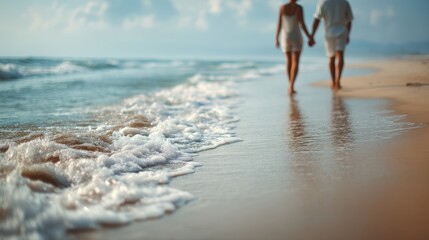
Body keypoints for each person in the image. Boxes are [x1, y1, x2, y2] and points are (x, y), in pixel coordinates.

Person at [310, 0, 353, 90]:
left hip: (329, 33)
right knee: (340, 55)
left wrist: (312, 35)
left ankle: (333, 82)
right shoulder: (344, 2)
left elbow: (317, 20)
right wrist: (348, 34)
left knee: (331, 58)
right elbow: (349, 20)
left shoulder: (323, 2)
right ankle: (338, 81)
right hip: (342, 31)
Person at [276, 0, 312, 95]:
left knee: (288, 61)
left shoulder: (282, 7)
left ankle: (290, 85)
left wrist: (276, 38)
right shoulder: (299, 8)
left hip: (285, 36)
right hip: (296, 36)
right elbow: (302, 24)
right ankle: (292, 85)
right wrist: (310, 37)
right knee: (296, 61)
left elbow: (279, 24)